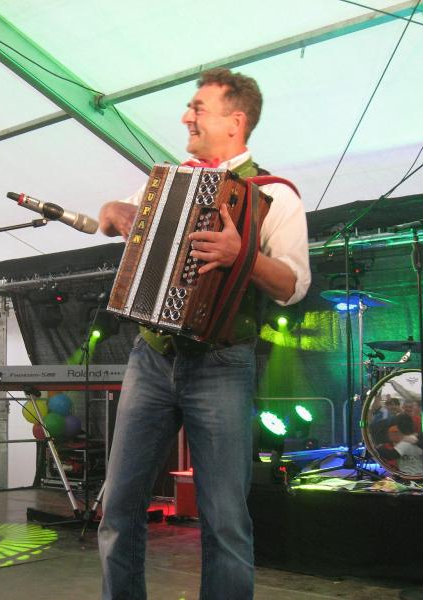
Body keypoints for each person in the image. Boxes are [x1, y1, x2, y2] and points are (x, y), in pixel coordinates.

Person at [97, 68, 310, 600]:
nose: (185, 117)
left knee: (225, 519)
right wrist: (111, 211)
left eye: (197, 108)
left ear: (235, 122)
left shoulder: (276, 195)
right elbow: (110, 219)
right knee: (118, 508)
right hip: (151, 357)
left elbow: (294, 286)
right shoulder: (170, 181)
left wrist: (243, 256)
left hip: (221, 365)